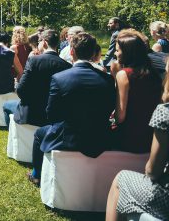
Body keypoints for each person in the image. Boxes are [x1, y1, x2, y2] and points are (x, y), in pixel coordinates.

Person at [28, 33, 116, 186]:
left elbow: (52, 114)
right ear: (94, 53)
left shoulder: (60, 78)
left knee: (39, 133)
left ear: (72, 52)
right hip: (99, 136)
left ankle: (36, 174)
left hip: (69, 137)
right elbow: (110, 108)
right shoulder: (108, 79)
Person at [105, 68, 169, 221]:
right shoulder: (149, 75)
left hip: (165, 199)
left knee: (121, 178)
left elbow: (153, 171)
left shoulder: (165, 113)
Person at [2, 30, 71, 128]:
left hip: (31, 113)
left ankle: (13, 138)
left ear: (44, 43)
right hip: (54, 116)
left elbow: (21, 90)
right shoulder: (66, 65)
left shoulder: (34, 60)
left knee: (7, 106)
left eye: (39, 42)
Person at [113, 30, 162, 153]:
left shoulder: (124, 75)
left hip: (130, 136)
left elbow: (120, 117)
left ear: (128, 52)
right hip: (153, 135)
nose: (115, 53)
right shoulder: (153, 73)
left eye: (118, 50)